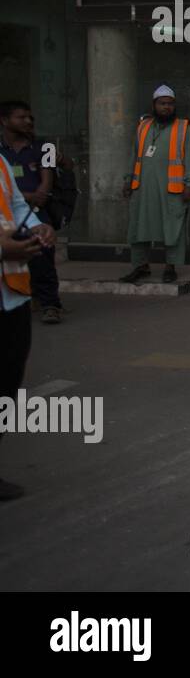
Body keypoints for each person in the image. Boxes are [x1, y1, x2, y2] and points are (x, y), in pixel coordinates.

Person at [1, 161, 54, 499]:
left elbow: (17, 204)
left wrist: (38, 227)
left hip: (12, 295)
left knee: (7, 383)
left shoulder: (1, 162)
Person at [119, 85, 190, 284]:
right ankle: (140, 266)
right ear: (154, 105)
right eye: (162, 104)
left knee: (173, 228)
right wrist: (128, 180)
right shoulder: (143, 127)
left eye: (170, 104)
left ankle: (170, 267)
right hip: (143, 189)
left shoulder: (184, 129)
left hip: (171, 191)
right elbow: (134, 156)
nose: (166, 107)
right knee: (138, 228)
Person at [0, 101, 62, 324]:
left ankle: (50, 303)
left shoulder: (44, 146)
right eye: (21, 117)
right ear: (5, 121)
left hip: (35, 210)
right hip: (15, 210)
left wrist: (37, 199)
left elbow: (47, 179)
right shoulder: (2, 152)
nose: (28, 121)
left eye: (30, 117)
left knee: (43, 251)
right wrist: (27, 196)